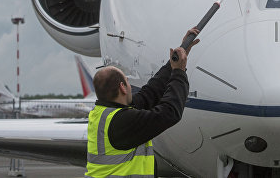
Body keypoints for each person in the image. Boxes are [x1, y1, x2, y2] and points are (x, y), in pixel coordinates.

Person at [85, 28, 199, 178]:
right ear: (122, 88)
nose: (130, 87)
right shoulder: (122, 121)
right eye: (127, 82)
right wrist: (179, 73)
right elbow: (169, 113)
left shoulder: (105, 114)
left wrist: (176, 60)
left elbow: (150, 93)